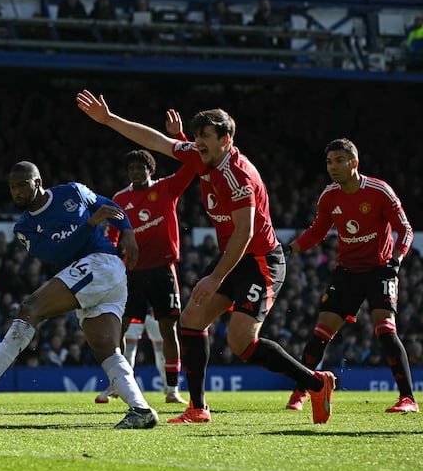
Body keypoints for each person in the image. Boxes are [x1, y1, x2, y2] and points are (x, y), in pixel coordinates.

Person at [76, 89, 336, 424]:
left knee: (241, 342)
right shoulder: (202, 157)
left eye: (205, 137)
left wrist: (215, 278)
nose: (197, 142)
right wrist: (109, 119)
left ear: (227, 139)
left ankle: (316, 383)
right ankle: (197, 408)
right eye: (196, 136)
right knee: (192, 320)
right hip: (233, 256)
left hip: (259, 260)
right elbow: (156, 142)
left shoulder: (240, 175)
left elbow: (244, 232)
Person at [0, 161, 159, 430]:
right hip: (96, 277)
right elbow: (55, 254)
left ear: (38, 182)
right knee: (106, 349)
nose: (17, 192)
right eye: (12, 187)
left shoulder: (73, 192)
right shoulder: (24, 229)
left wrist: (128, 231)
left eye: (22, 185)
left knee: (30, 308)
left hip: (101, 263)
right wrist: (90, 223)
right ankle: (141, 409)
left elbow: (108, 206)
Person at [283, 138, 418, 414]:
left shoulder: (380, 191)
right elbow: (318, 231)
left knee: (385, 328)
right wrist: (289, 249)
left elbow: (405, 229)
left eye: (339, 161)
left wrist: (396, 261)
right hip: (347, 272)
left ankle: (408, 399)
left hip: (380, 269)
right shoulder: (329, 196)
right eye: (329, 162)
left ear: (353, 163)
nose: (332, 167)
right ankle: (301, 392)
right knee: (321, 332)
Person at [95, 111, 195, 406]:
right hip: (132, 273)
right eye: (132, 168)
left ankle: (173, 390)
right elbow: (113, 237)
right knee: (121, 327)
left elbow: (191, 166)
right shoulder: (120, 199)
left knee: (168, 329)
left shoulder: (166, 188)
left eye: (141, 167)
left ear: (150, 169)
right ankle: (117, 384)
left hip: (163, 270)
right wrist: (112, 260)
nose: (136, 172)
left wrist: (179, 138)